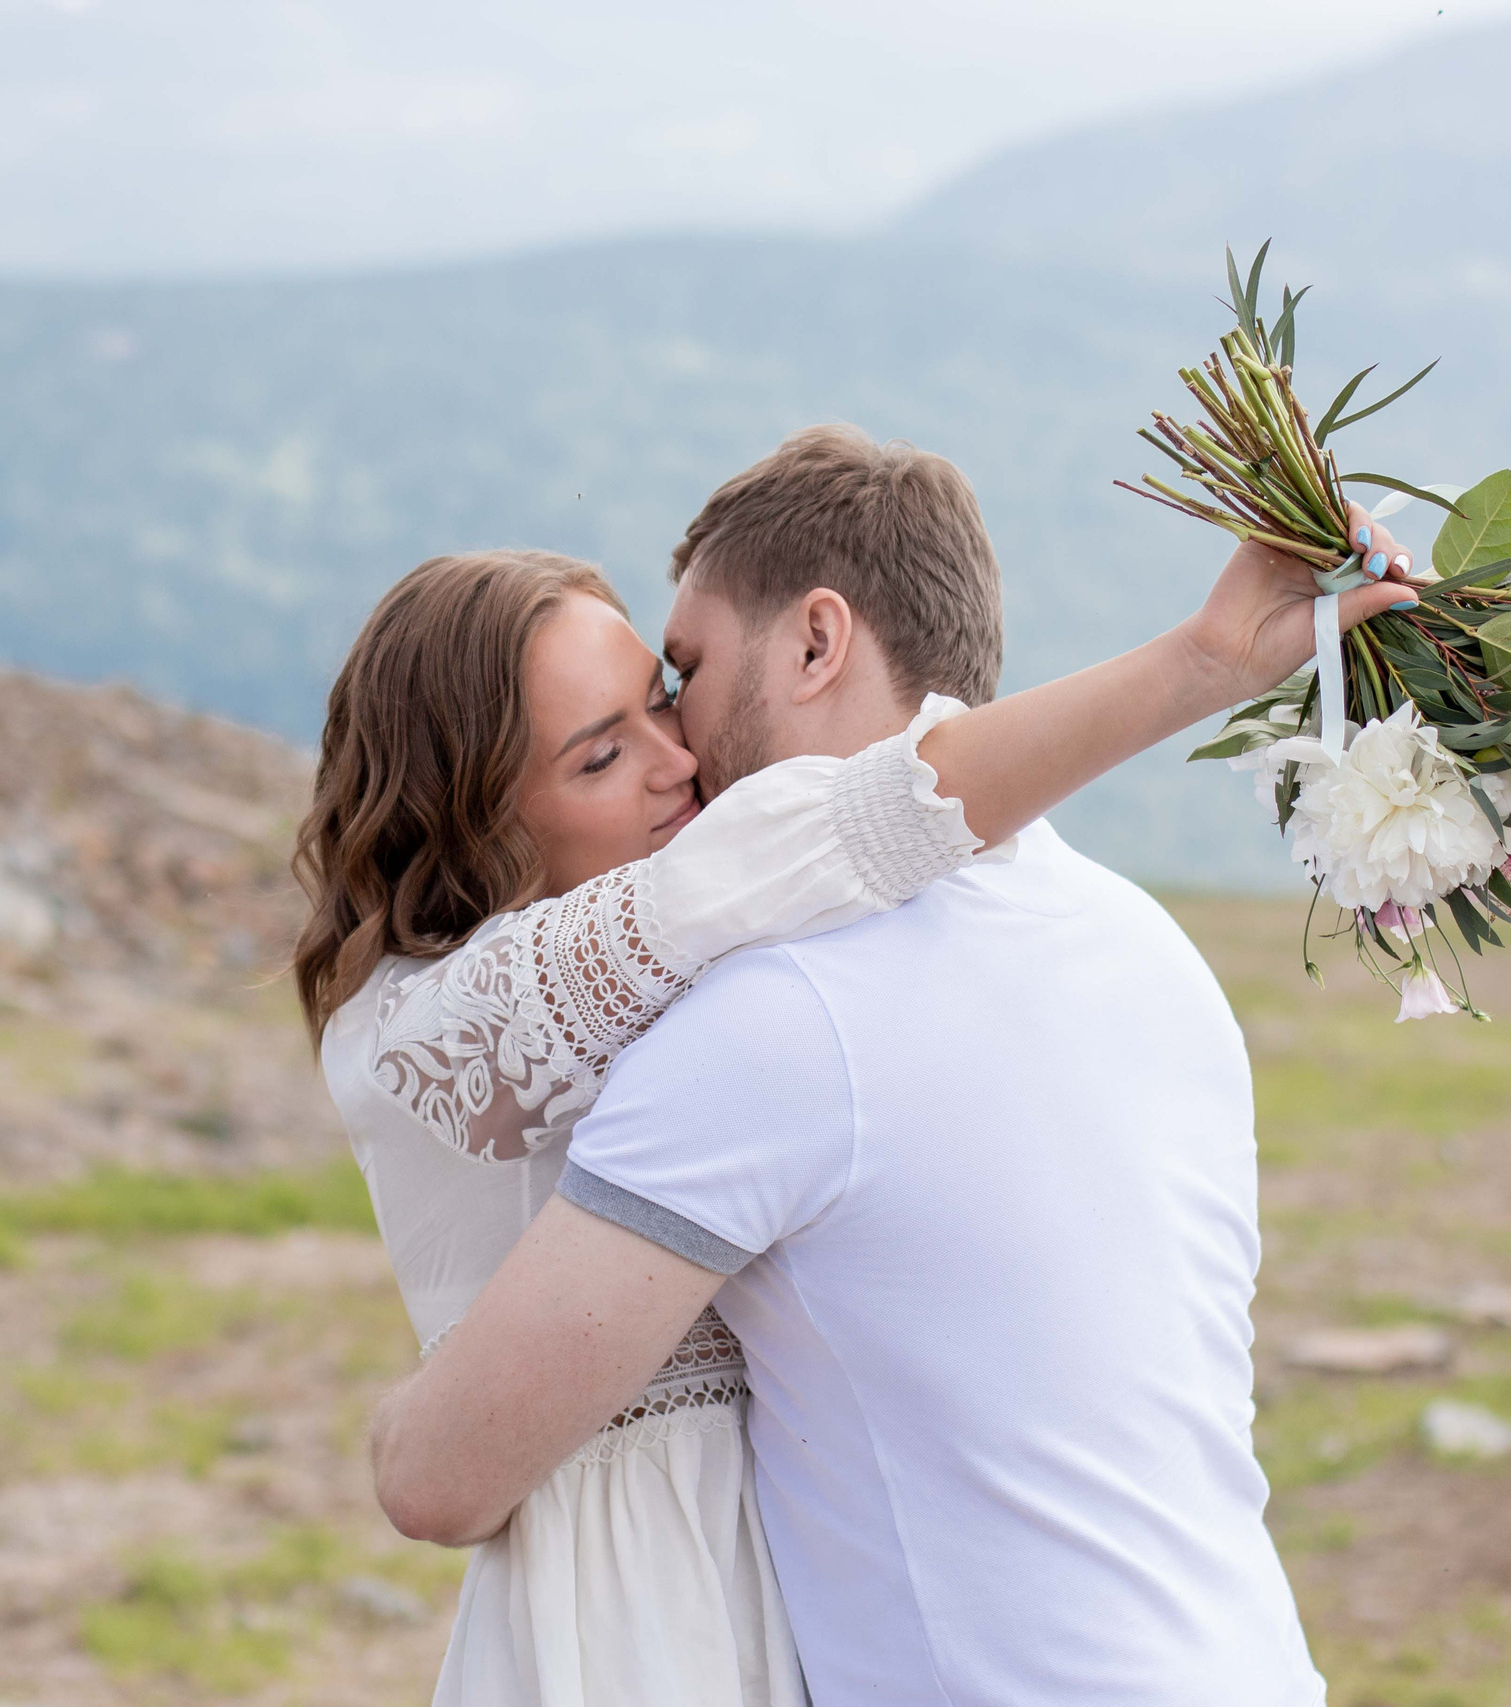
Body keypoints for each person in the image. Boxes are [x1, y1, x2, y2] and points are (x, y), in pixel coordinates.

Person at [313, 426, 1417, 1705]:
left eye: (679, 679)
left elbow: (434, 1478)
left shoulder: (775, 1019)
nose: (680, 751)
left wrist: (1209, 660)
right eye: (610, 747)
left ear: (816, 643)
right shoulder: (1145, 945)